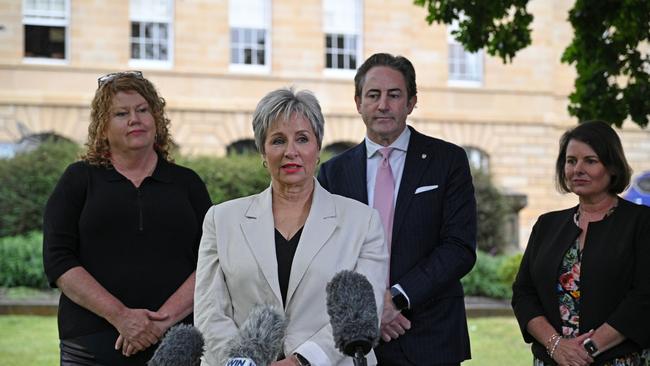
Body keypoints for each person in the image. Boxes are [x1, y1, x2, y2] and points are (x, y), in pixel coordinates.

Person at [194, 87, 389, 366]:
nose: (290, 152)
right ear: (262, 151)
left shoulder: (363, 222)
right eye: (277, 141)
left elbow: (363, 312)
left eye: (302, 139)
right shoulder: (221, 220)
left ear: (317, 147)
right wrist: (243, 362)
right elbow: (209, 311)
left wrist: (301, 361)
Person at [43, 71, 213, 365]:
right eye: (121, 113)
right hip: (90, 345)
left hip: (176, 345)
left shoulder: (188, 184)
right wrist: (120, 316)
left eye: (142, 109)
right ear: (102, 128)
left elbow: (211, 260)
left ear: (156, 119)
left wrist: (159, 324)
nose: (135, 119)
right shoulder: (78, 180)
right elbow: (58, 259)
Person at [317, 53, 477, 366]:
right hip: (357, 340)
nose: (383, 105)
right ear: (358, 102)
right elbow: (326, 253)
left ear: (411, 102)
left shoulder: (447, 162)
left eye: (394, 95)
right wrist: (373, 307)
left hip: (430, 336)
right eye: (373, 95)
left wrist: (398, 297)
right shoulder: (333, 173)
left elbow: (459, 248)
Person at [512, 121, 650, 366]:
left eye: (590, 160)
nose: (578, 169)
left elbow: (644, 297)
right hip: (552, 359)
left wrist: (587, 348)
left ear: (613, 166)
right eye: (571, 161)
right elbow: (523, 293)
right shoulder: (546, 225)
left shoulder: (641, 223)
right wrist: (555, 344)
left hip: (617, 360)